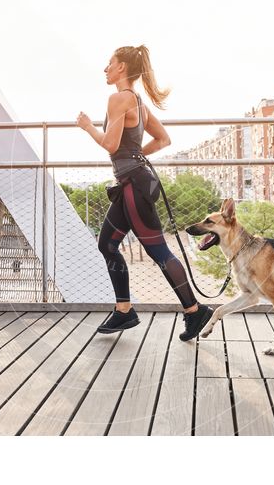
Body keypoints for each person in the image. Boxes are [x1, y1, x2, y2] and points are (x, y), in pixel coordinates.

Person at [76, 45, 213, 340]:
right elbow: (163, 140)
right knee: (108, 245)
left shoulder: (118, 98)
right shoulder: (139, 104)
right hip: (132, 185)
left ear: (122, 67)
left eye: (109, 63)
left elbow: (111, 145)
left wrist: (88, 127)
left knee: (158, 250)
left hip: (134, 187)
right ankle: (124, 310)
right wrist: (137, 155)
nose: (105, 69)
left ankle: (195, 311)